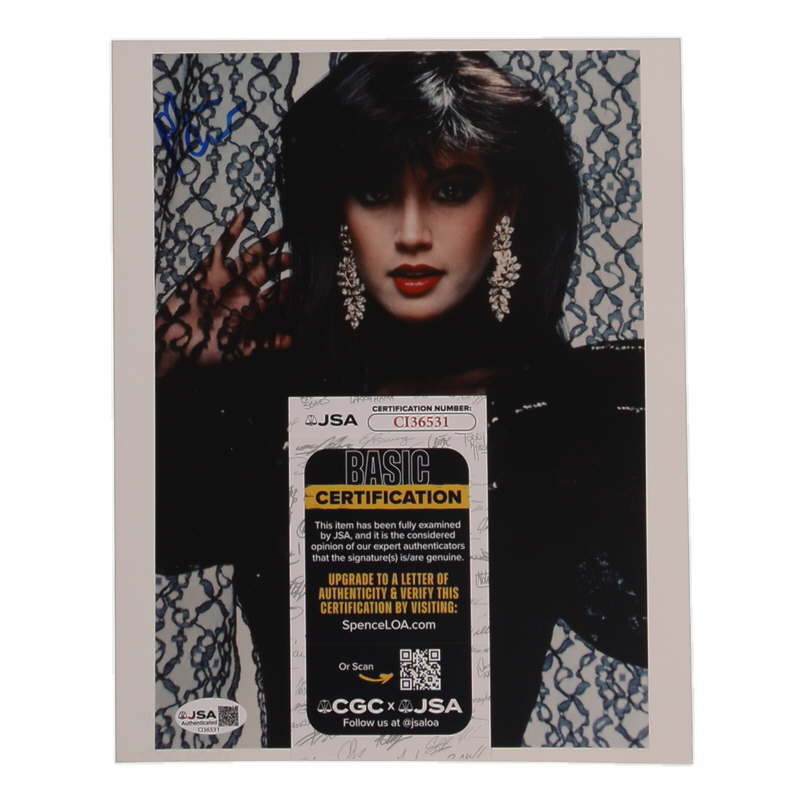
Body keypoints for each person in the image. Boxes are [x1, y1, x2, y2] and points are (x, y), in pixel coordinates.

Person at [155, 51, 646, 748]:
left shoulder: (570, 415)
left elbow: (651, 614)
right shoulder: (265, 406)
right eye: (376, 192)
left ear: (506, 203)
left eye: (451, 190)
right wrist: (165, 379)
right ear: (338, 210)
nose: (412, 233)